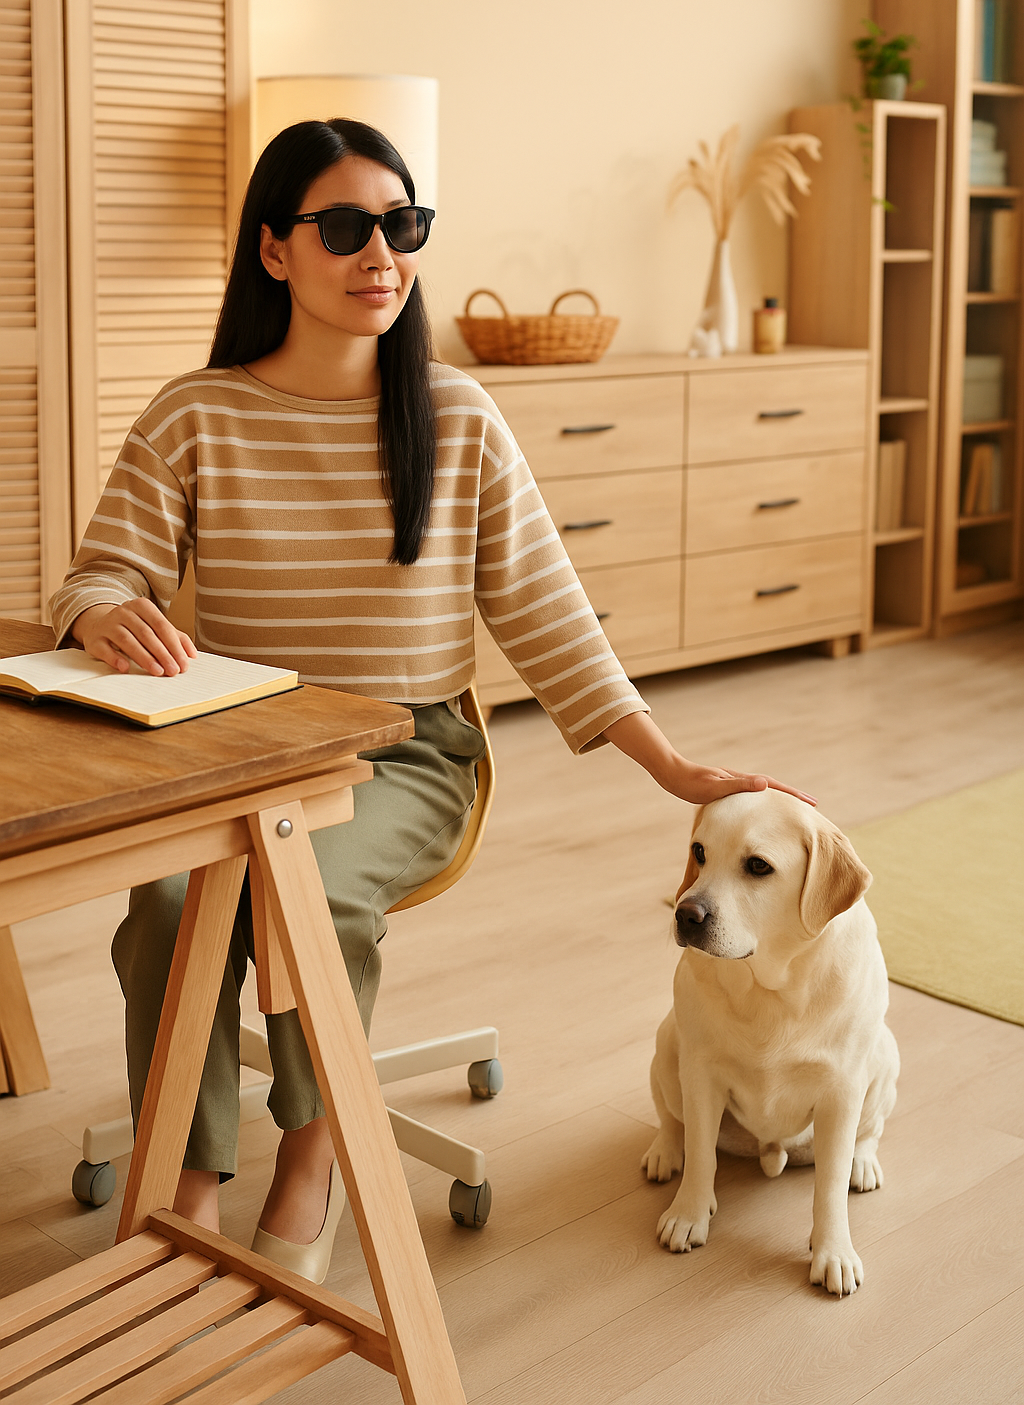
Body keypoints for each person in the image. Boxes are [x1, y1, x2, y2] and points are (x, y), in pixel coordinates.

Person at [50, 118, 812, 1277]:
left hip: (404, 757)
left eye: (401, 227)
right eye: (346, 227)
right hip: (233, 748)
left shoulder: (456, 417)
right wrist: (102, 611)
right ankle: (187, 1176)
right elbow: (99, 569)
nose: (381, 257)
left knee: (297, 885)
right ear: (274, 251)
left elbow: (551, 615)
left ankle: (313, 1157)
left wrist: (671, 767)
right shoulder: (194, 415)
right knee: (165, 900)